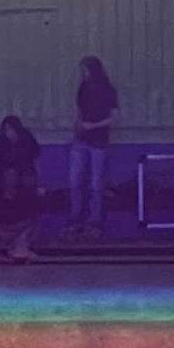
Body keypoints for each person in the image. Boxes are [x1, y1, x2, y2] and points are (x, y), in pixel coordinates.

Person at [65, 56, 118, 241]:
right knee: (75, 181)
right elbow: (79, 111)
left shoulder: (108, 90)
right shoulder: (83, 88)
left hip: (99, 141)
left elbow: (113, 118)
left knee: (96, 184)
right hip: (81, 139)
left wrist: (93, 126)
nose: (83, 74)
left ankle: (95, 221)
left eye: (86, 70)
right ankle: (76, 218)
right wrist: (78, 126)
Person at [0, 115, 41, 262]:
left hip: (25, 181)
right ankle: (6, 248)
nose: (9, 133)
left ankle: (21, 247)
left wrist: (38, 182)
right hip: (6, 185)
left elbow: (36, 159)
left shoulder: (27, 140)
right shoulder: (1, 142)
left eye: (11, 129)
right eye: (6, 130)